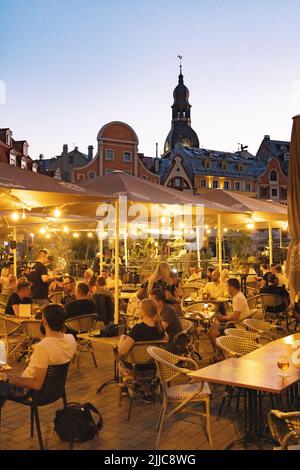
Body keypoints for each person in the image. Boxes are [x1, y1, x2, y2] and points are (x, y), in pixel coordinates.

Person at [0, 304, 77, 403]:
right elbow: (57, 347)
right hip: (55, 390)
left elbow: (36, 384)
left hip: (32, 392)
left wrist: (8, 378)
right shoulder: (71, 339)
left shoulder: (43, 347)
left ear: (44, 322)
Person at [208, 278, 250, 350]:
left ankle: (222, 354)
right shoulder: (237, 296)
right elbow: (235, 314)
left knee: (212, 333)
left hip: (238, 325)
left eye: (227, 286)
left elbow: (235, 317)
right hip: (237, 322)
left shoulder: (238, 298)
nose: (227, 288)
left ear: (232, 287)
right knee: (214, 326)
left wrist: (224, 318)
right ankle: (222, 352)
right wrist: (224, 317)